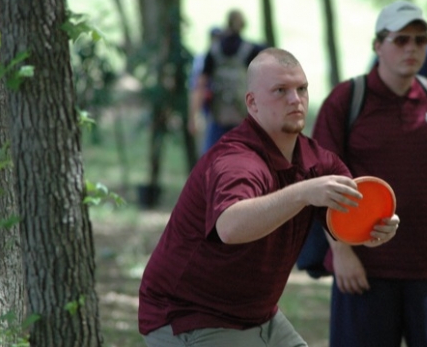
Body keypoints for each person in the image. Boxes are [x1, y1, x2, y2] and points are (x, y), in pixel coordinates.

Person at [139, 47, 400, 347]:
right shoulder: (236, 160)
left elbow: (350, 216)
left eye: (301, 89)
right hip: (189, 315)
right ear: (252, 103)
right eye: (280, 90)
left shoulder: (317, 160)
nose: (295, 100)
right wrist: (304, 192)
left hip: (257, 316)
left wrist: (375, 228)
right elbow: (231, 227)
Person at [312, 0, 427, 347]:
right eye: (401, 39)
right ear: (378, 45)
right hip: (363, 273)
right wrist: (342, 253)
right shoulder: (348, 100)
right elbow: (319, 184)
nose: (412, 47)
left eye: (421, 40)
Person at [188, 9, 265, 154]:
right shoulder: (252, 50)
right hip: (243, 117)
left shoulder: (214, 51)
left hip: (218, 117)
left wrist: (193, 117)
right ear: (243, 25)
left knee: (212, 161)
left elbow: (200, 85)